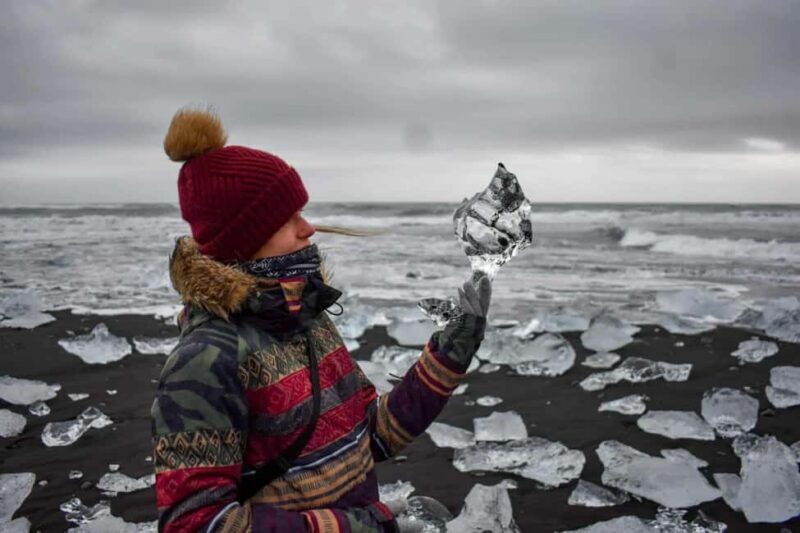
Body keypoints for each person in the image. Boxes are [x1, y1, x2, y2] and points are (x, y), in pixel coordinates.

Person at [152, 108, 491, 533]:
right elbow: (196, 524)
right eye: (287, 218)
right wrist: (354, 528)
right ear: (244, 238)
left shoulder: (308, 322)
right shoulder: (206, 361)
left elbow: (372, 436)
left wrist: (451, 350)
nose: (308, 228)